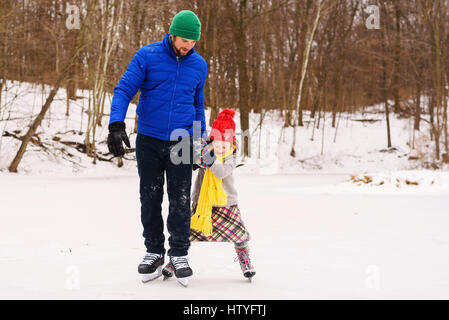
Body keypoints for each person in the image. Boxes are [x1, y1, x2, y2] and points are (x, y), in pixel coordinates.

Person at [107, 10, 207, 285]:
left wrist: (200, 140)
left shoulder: (199, 65)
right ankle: (153, 250)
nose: (187, 45)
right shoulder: (148, 55)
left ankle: (179, 253)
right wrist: (116, 124)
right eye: (184, 39)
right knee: (149, 196)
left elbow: (198, 104)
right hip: (149, 139)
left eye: (193, 41)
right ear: (172, 33)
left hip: (182, 139)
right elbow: (124, 89)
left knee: (180, 199)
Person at [162, 109, 256, 282]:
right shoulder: (207, 154)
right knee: (188, 233)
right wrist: (196, 160)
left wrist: (210, 159)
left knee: (238, 234)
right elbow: (194, 161)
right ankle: (177, 257)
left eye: (225, 144)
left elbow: (220, 172)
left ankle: (244, 257)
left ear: (232, 145)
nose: (220, 147)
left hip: (226, 203)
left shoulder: (230, 158)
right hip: (203, 204)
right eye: (217, 143)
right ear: (211, 142)